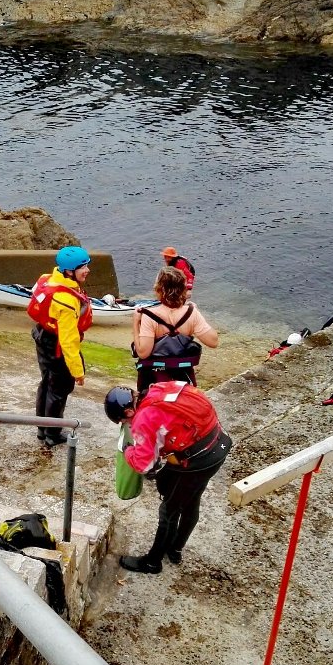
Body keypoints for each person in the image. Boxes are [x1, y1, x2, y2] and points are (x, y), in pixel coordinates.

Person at [104, 382, 233, 574]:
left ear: (129, 412)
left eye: (123, 421)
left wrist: (128, 450)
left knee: (169, 511)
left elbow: (144, 464)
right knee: (191, 500)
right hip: (217, 444)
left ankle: (152, 562)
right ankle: (175, 549)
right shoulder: (160, 388)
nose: (126, 425)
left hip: (196, 461)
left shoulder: (142, 418)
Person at [28, 246, 93, 447]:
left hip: (42, 334)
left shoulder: (48, 278)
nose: (88, 270)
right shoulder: (66, 300)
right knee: (59, 388)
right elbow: (69, 341)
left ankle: (42, 427)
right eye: (83, 267)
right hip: (55, 344)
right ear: (69, 271)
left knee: (46, 382)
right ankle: (53, 434)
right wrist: (78, 371)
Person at [132, 267, 219, 392]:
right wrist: (196, 313)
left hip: (154, 380)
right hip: (182, 379)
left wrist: (135, 323)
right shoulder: (191, 313)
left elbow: (143, 353)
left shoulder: (149, 316)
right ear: (183, 290)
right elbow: (213, 341)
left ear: (159, 289)